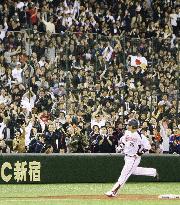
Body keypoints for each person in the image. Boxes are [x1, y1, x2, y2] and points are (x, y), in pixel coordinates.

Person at [105, 119, 159, 197]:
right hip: (126, 156)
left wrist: (139, 153)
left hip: (133, 158)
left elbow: (148, 146)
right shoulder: (127, 132)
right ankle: (153, 172)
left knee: (124, 174)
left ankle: (113, 191)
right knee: (132, 171)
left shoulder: (140, 136)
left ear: (133, 126)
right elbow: (123, 141)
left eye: (129, 125)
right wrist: (120, 147)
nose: (127, 126)